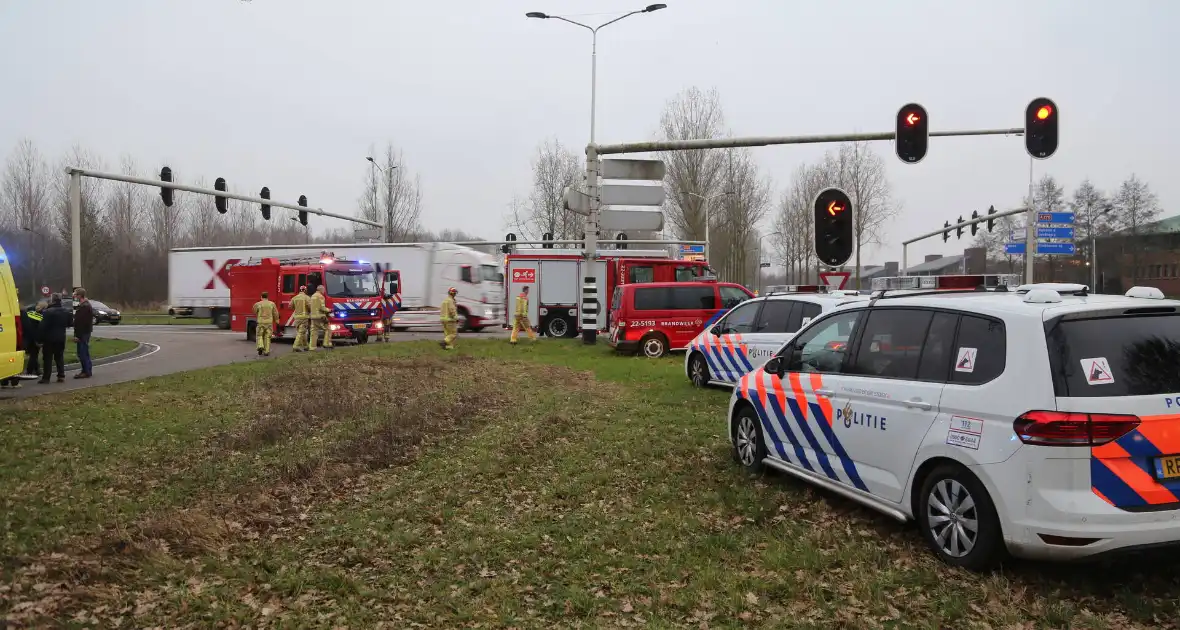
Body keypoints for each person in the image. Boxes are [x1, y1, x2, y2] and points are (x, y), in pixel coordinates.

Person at [38, 294, 71, 384]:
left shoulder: (48, 312)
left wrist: (39, 340)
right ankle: (61, 375)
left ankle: (46, 378)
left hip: (49, 338)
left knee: (48, 358)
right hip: (61, 337)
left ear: (52, 301)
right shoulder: (65, 311)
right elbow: (69, 323)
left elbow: (42, 327)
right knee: (59, 357)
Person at [72, 288, 94, 378]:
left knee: (82, 352)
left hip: (83, 333)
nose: (74, 296)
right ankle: (87, 370)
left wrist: (78, 336)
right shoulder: (84, 305)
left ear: (80, 295)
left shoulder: (84, 307)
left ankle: (86, 371)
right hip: (84, 332)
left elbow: (81, 323)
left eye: (75, 294)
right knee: (84, 352)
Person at [253, 290, 280, 356]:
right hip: (269, 323)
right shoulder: (272, 304)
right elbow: (276, 313)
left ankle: (260, 346)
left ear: (261, 297)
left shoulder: (258, 304)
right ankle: (266, 351)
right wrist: (277, 321)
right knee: (267, 337)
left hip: (261, 322)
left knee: (259, 335)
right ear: (267, 297)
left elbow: (254, 311)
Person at [309, 284, 333, 351]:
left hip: (313, 317)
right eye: (324, 290)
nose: (324, 291)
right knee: (328, 329)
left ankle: (312, 347)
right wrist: (329, 310)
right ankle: (326, 344)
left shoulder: (313, 296)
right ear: (321, 290)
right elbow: (322, 308)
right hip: (320, 317)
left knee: (314, 332)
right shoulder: (321, 297)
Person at [291, 285, 311, 352]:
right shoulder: (307, 298)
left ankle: (306, 346)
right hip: (304, 318)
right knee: (301, 332)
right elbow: (310, 307)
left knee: (302, 332)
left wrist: (296, 308)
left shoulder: (294, 298)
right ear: (305, 290)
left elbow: (290, 306)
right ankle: (295, 346)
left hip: (297, 318)